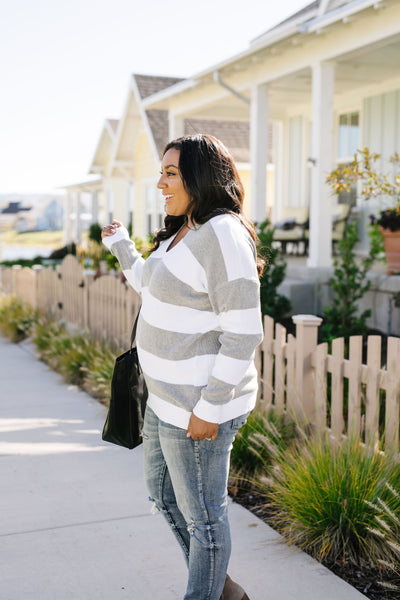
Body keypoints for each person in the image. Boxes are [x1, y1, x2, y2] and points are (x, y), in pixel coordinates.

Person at [102, 134, 264, 600]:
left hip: (198, 408)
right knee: (162, 496)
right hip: (164, 401)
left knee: (205, 518)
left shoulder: (222, 234)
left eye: (170, 173)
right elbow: (150, 285)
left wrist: (210, 410)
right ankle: (223, 590)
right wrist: (120, 245)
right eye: (162, 172)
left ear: (200, 176)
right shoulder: (182, 229)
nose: (160, 183)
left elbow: (244, 332)